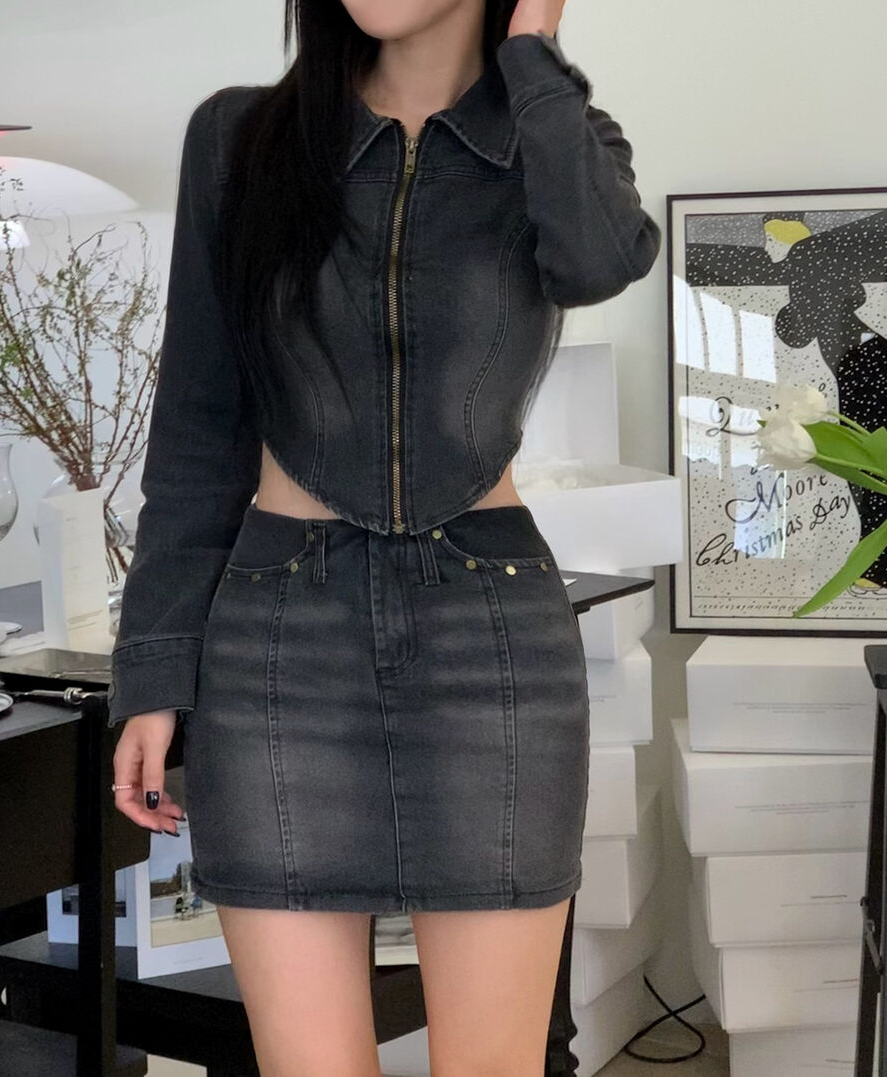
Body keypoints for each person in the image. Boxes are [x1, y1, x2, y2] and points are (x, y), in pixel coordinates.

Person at [108, 1, 660, 1074]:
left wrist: (532, 53)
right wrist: (155, 668)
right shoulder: (239, 140)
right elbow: (197, 432)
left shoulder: (553, 136)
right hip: (279, 646)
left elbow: (598, 261)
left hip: (487, 637)